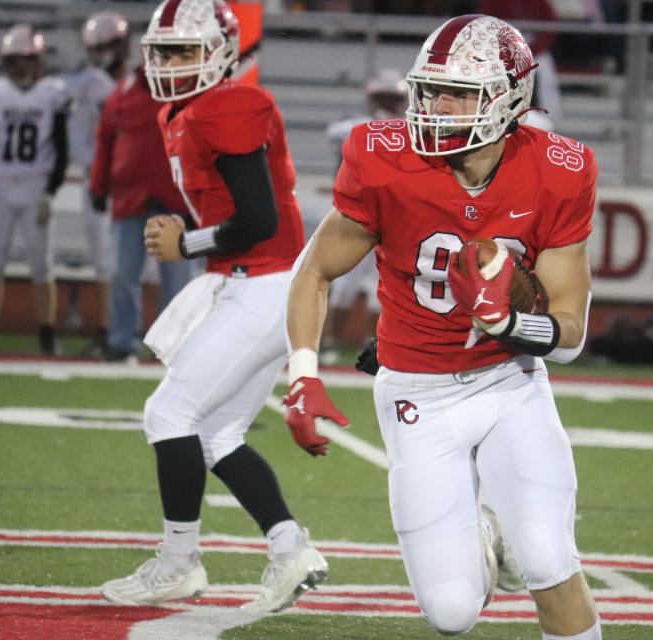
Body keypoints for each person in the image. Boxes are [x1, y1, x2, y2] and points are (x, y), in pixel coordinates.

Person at [285, 14, 602, 640]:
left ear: (509, 99)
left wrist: (510, 323)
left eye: (458, 91)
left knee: (547, 558)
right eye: (431, 88)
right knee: (452, 612)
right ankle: (484, 526)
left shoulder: (560, 169)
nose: (436, 104)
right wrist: (302, 373)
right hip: (415, 395)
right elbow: (314, 271)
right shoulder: (382, 160)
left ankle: (518, 538)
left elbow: (570, 331)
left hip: (507, 383)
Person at [100, 0, 327, 613]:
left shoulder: (230, 104)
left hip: (266, 281)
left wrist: (186, 243)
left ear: (222, 53)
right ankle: (290, 548)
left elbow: (259, 218)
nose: (173, 64)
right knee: (215, 433)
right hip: (258, 281)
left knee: (167, 413)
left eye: (186, 51)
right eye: (164, 52)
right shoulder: (186, 110)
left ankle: (178, 564)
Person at [89, 24, 193, 364]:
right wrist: (98, 185)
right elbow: (105, 141)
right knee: (122, 274)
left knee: (177, 282)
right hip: (130, 199)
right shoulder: (125, 91)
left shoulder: (188, 89)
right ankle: (121, 342)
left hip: (175, 201)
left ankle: (171, 348)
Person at [0, 24, 69, 355]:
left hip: (35, 185)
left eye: (28, 59)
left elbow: (61, 148)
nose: (22, 67)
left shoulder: (52, 93)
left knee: (42, 264)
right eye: (15, 60)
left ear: (39, 61)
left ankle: (46, 333)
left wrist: (50, 191)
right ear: (4, 63)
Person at [321, 68, 407, 357]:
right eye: (382, 97)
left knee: (381, 288)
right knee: (344, 285)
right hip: (357, 220)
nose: (387, 103)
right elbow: (336, 137)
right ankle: (330, 343)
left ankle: (377, 346)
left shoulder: (413, 130)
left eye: (391, 98)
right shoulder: (354, 128)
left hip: (395, 222)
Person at [67, 11, 131, 352]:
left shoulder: (135, 81)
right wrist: (101, 171)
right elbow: (79, 140)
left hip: (132, 185)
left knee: (136, 264)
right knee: (107, 262)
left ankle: (130, 331)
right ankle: (109, 330)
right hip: (102, 184)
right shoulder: (87, 84)